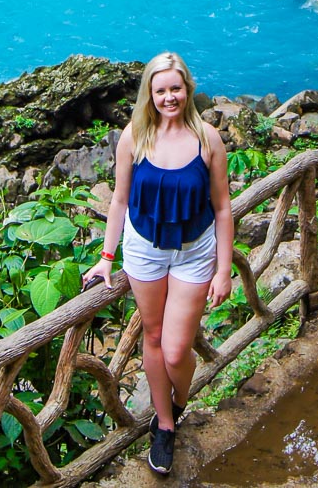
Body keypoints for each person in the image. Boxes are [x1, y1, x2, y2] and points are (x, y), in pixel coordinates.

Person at [82, 51, 232, 476]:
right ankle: (164, 424)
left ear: (188, 89)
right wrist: (106, 258)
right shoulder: (135, 136)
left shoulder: (208, 140)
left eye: (176, 88)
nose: (170, 97)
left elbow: (222, 209)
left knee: (176, 348)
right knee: (152, 336)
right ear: (150, 92)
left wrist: (224, 270)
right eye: (161, 89)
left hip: (194, 250)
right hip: (145, 248)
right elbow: (120, 200)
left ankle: (177, 402)